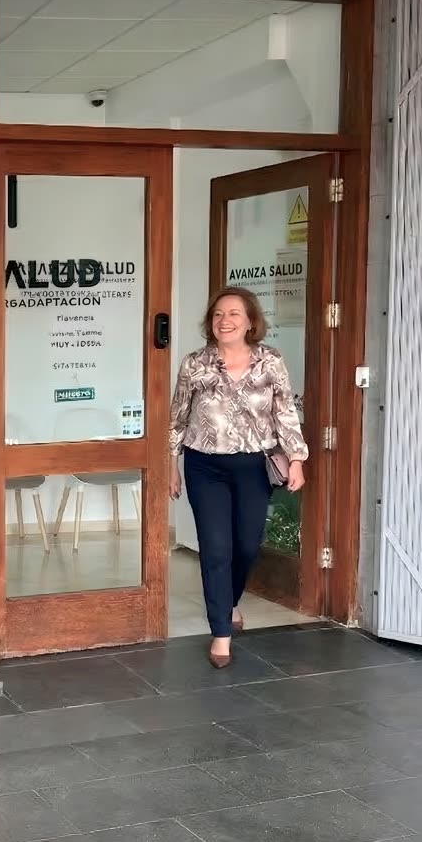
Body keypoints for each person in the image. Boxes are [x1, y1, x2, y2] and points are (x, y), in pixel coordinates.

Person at [169, 286, 308, 669]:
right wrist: (171, 464)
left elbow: (285, 412)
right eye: (217, 314)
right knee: (215, 547)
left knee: (247, 544)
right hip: (204, 465)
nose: (224, 321)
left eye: (233, 314)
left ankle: (229, 601)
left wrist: (296, 458)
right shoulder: (195, 364)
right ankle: (221, 633)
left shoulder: (270, 361)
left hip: (252, 465)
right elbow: (177, 417)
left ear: (250, 322)